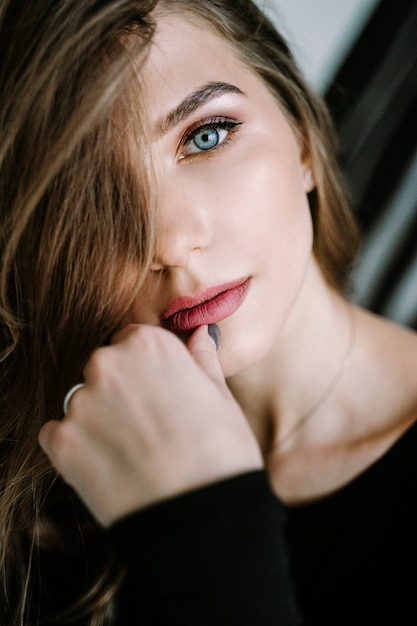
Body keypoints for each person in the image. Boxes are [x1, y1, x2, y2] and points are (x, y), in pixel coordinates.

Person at [1, 0, 417, 624]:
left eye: (206, 135)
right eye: (88, 199)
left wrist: (196, 529)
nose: (170, 243)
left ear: (302, 134)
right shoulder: (38, 508)